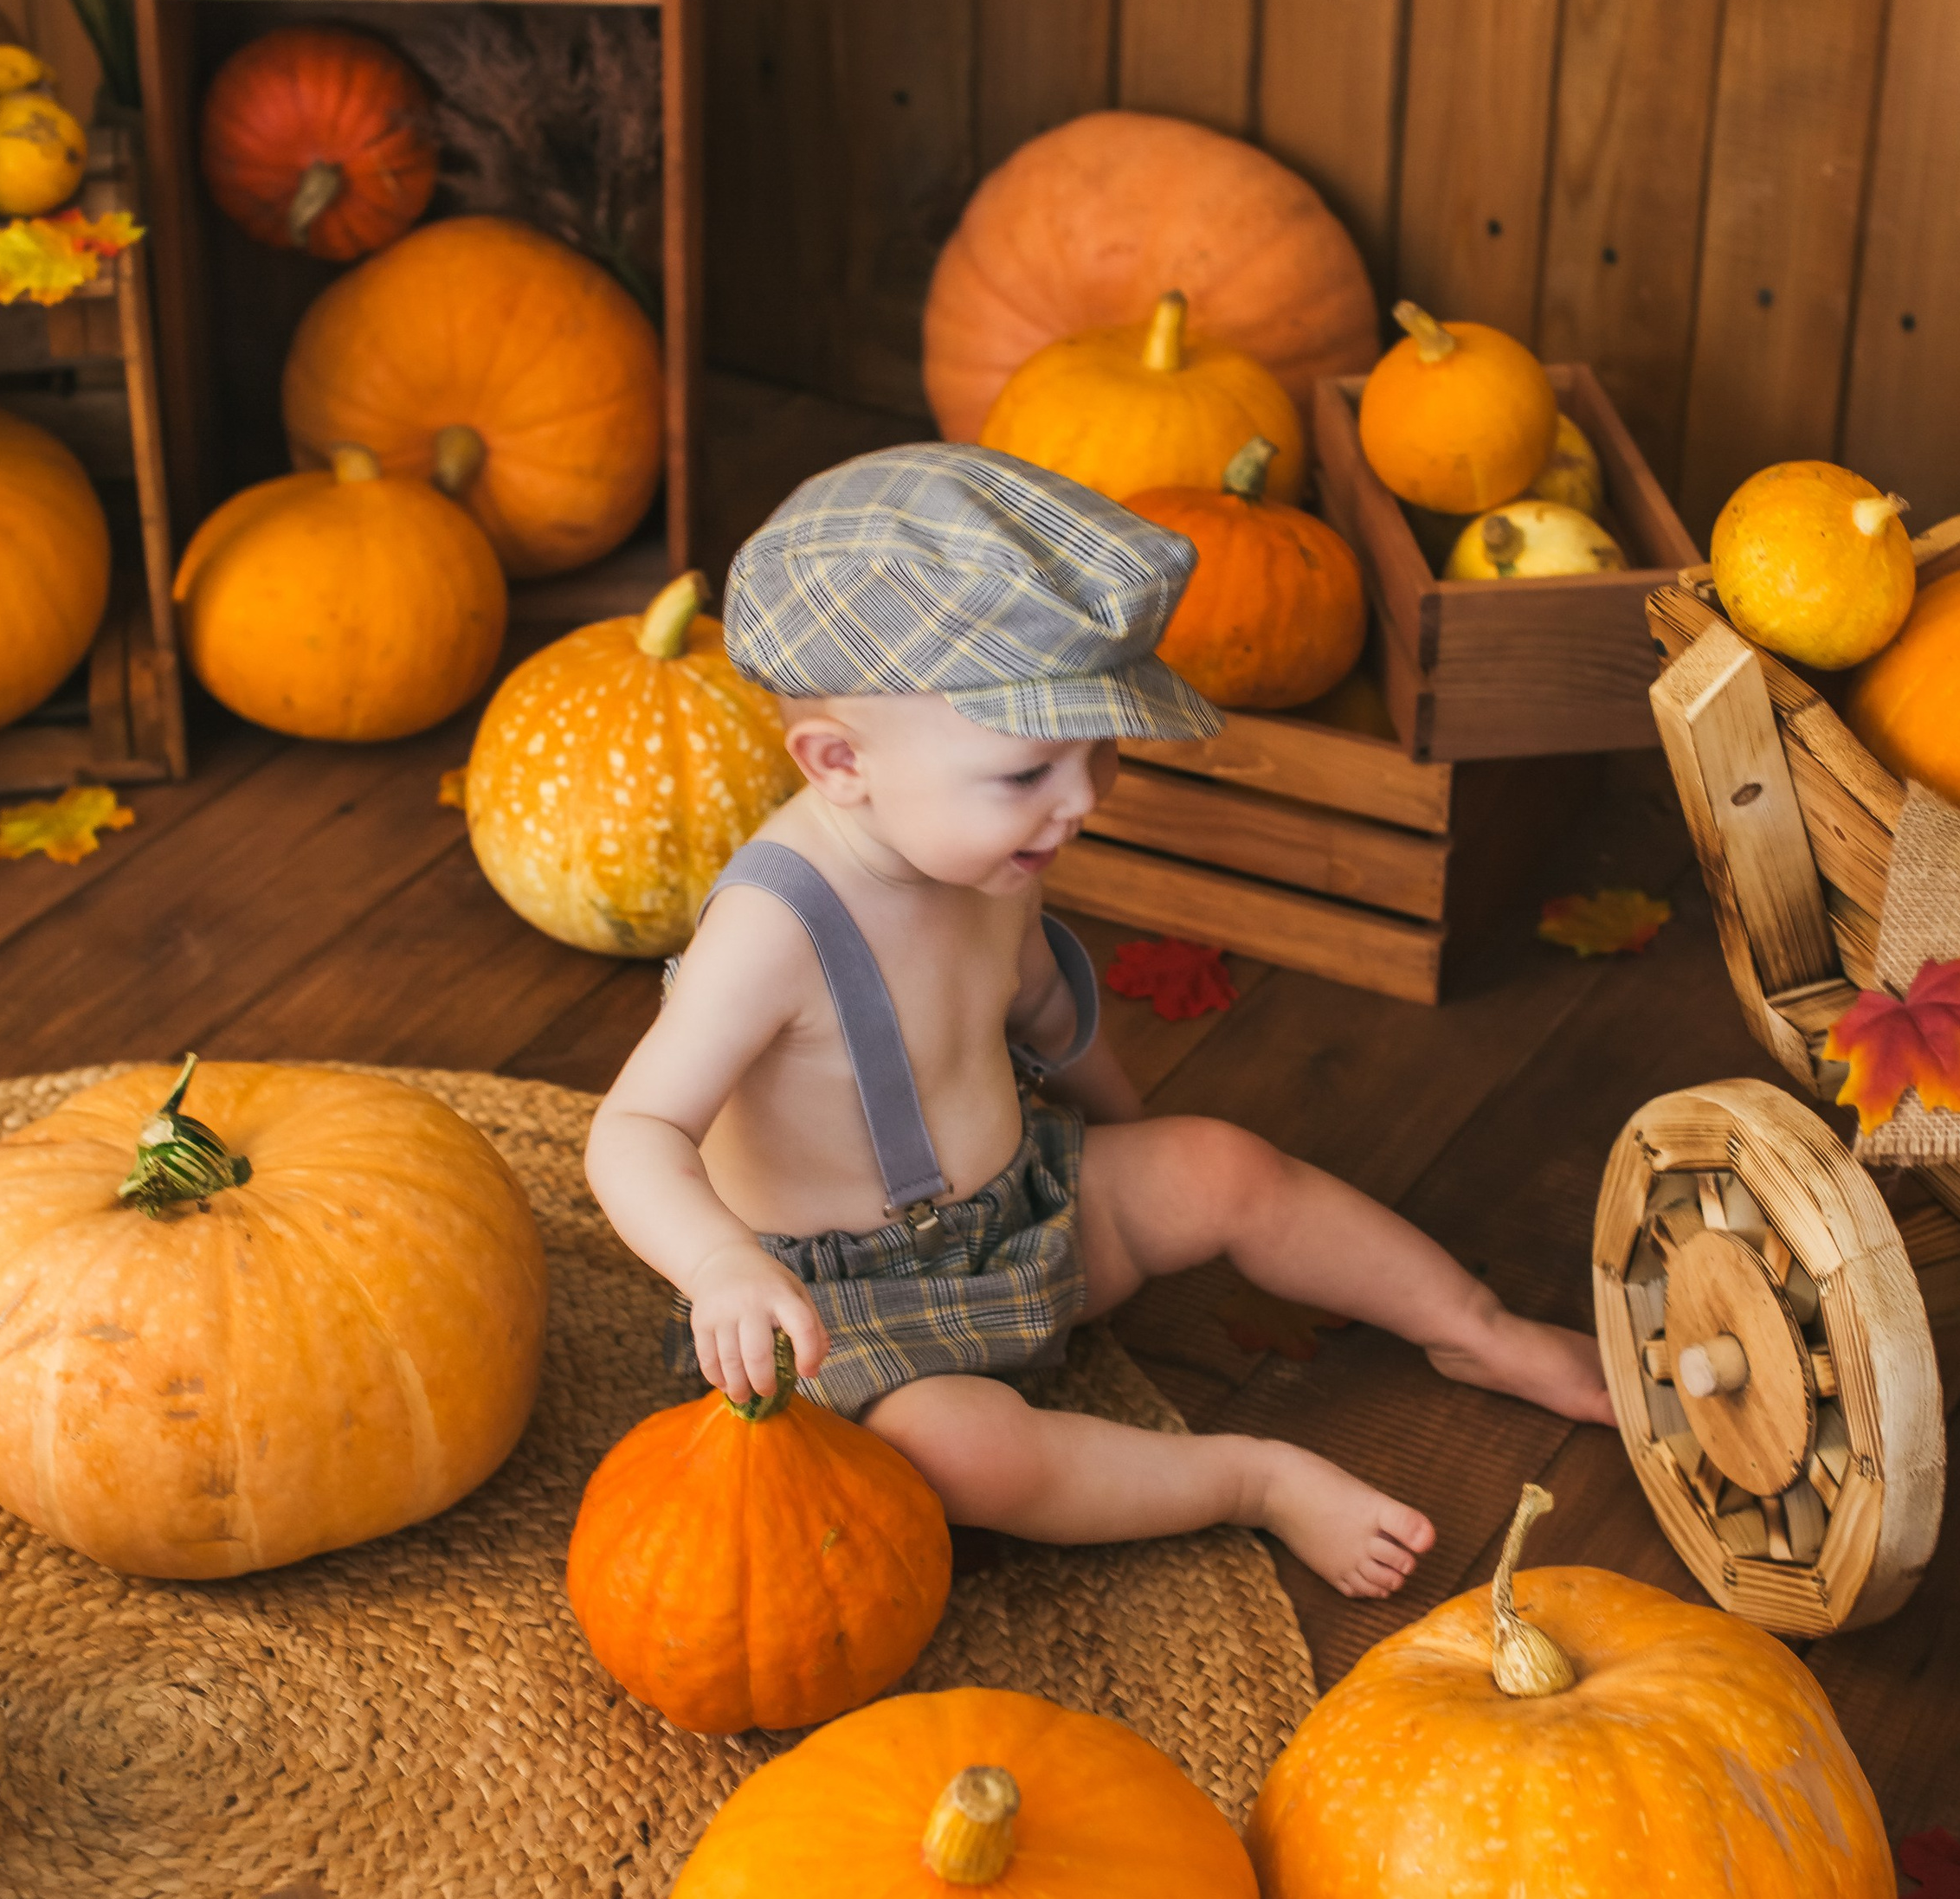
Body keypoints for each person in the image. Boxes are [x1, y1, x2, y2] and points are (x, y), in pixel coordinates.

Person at [584, 447, 1611, 1601]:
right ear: (838, 764)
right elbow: (633, 1133)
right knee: (957, 1454)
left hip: (1023, 1210)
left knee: (1223, 1165)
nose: (1081, 800)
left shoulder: (984, 845)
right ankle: (1247, 1480)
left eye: (1100, 752)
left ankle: (1475, 1324)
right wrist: (720, 1266)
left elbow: (1040, 1005)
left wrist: (1135, 1148)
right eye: (1029, 771)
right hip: (838, 1316)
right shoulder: (775, 926)